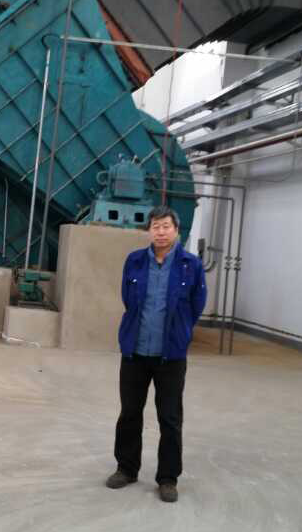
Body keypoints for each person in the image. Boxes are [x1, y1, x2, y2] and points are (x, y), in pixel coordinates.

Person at [106, 205, 207, 502]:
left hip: (170, 356)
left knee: (170, 418)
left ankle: (167, 478)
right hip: (135, 351)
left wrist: (180, 331)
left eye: (166, 226)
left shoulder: (191, 265)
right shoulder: (135, 261)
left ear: (176, 230)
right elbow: (128, 299)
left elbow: (197, 304)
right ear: (149, 230)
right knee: (129, 413)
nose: (161, 232)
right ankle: (126, 468)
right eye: (156, 226)